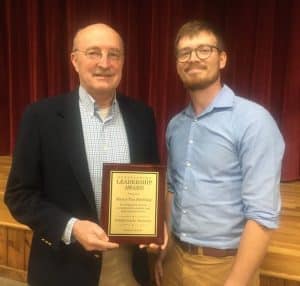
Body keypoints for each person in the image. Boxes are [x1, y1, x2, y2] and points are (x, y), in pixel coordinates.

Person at [5, 23, 159, 286]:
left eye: (113, 54)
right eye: (93, 53)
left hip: (126, 270)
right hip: (63, 268)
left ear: (123, 62)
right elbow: (19, 196)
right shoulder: (40, 117)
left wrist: (154, 229)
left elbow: (152, 184)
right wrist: (72, 227)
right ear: (75, 61)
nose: (104, 62)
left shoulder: (142, 116)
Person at [155, 20, 285, 286]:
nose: (193, 58)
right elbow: (172, 190)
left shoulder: (253, 121)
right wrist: (166, 253)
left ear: (222, 59)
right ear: (177, 63)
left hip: (224, 268)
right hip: (175, 260)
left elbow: (262, 216)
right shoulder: (176, 126)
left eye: (204, 50)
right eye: (184, 52)